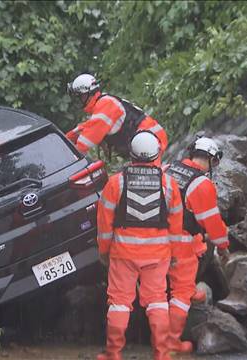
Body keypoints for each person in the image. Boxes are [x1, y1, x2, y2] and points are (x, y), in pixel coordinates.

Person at [96, 131, 183, 360]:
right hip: (158, 255)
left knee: (119, 304)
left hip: (123, 254)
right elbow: (176, 225)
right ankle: (162, 354)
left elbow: (104, 224)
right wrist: (175, 253)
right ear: (156, 153)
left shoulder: (116, 183)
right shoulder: (169, 185)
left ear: (131, 154)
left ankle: (114, 353)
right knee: (157, 302)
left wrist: (104, 251)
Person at [163, 136, 230, 353]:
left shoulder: (166, 169)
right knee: (180, 293)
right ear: (212, 160)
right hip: (180, 244)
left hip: (151, 239)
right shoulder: (201, 184)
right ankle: (171, 342)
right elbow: (212, 223)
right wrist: (223, 246)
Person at [65, 73, 168, 158]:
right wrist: (65, 139)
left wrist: (70, 157)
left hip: (151, 143)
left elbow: (86, 140)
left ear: (85, 94)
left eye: (78, 97)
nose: (78, 101)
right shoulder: (104, 103)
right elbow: (86, 128)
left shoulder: (105, 106)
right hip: (147, 141)